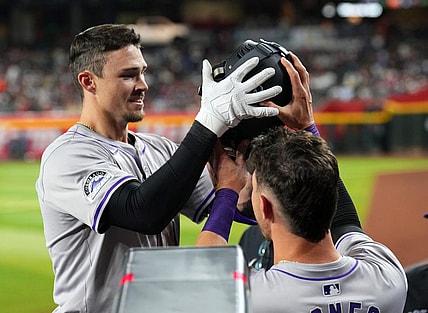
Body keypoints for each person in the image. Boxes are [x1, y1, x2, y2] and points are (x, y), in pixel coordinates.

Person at [35, 23, 283, 312]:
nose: (143, 85)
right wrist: (208, 124)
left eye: (142, 72)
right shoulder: (67, 156)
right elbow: (142, 212)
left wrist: (275, 128)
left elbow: (240, 208)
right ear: (89, 82)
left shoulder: (160, 149)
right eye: (128, 76)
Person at [195, 53, 408, 312]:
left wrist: (227, 190)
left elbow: (203, 269)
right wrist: (307, 126)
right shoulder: (387, 278)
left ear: (265, 207)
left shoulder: (253, 298)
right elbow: (347, 221)